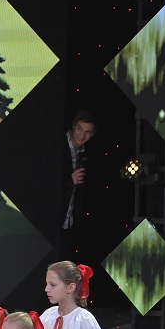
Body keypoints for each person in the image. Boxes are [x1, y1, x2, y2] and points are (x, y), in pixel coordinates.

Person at [60, 111, 96, 258]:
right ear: (73, 125)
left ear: (93, 133)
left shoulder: (87, 153)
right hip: (50, 220)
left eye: (87, 132)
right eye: (80, 128)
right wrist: (69, 180)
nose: (82, 135)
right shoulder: (58, 145)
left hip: (70, 223)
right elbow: (42, 181)